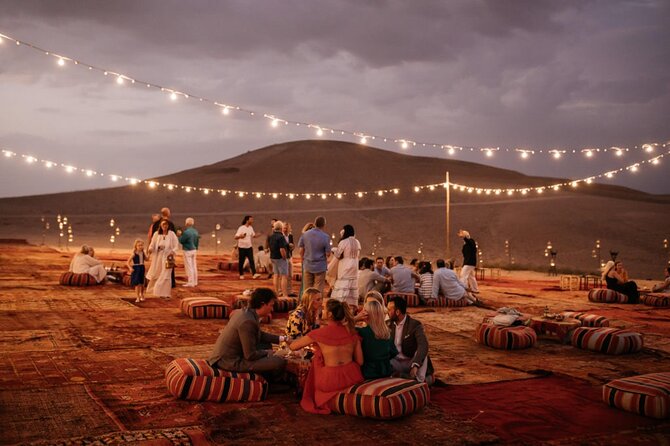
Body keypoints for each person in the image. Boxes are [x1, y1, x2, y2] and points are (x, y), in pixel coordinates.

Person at [290, 299, 364, 414]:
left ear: (329, 314)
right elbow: (360, 361)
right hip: (352, 377)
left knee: (315, 361)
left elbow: (293, 346)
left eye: (324, 309)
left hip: (330, 380)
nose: (322, 310)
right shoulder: (352, 332)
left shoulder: (319, 333)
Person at [208, 288, 287, 380]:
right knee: (279, 361)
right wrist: (270, 353)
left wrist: (283, 339)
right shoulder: (248, 321)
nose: (272, 309)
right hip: (229, 362)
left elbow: (259, 334)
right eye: (271, 305)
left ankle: (266, 374)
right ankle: (271, 383)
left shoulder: (245, 312)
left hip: (228, 357)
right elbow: (250, 355)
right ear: (262, 304)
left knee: (266, 344)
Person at [387, 296, 434, 384]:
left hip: (410, 362)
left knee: (423, 355)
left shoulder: (414, 325)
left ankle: (419, 381)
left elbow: (423, 345)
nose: (387, 312)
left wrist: (415, 364)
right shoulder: (387, 324)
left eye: (389, 309)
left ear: (397, 312)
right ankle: (404, 379)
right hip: (395, 362)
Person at [357, 299, 398, 379]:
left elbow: (341, 327)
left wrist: (356, 318)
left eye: (363, 311)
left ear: (366, 315)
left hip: (368, 373)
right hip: (386, 372)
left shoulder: (362, 332)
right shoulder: (386, 332)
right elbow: (393, 352)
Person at [146, 219, 179, 299]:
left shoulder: (172, 234)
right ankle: (155, 290)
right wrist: (151, 249)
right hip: (158, 257)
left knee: (166, 274)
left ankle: (164, 292)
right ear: (161, 225)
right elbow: (152, 245)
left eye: (166, 224)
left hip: (168, 257)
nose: (165, 226)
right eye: (163, 224)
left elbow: (176, 245)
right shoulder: (156, 234)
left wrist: (172, 252)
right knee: (157, 272)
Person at [331, 225, 361, 309]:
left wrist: (333, 250)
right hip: (354, 267)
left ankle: (338, 308)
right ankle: (351, 309)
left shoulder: (343, 242)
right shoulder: (357, 242)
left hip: (345, 267)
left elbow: (338, 255)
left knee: (342, 289)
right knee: (351, 289)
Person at [298, 216, 330, 295]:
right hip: (320, 266)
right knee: (318, 289)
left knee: (307, 289)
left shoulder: (305, 234)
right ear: (324, 225)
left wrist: (303, 260)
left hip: (308, 264)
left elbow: (301, 250)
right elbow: (328, 254)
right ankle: (317, 306)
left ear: (315, 223)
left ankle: (307, 305)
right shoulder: (325, 237)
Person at [234, 215, 262, 280]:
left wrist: (258, 235)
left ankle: (254, 274)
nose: (252, 221)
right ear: (247, 220)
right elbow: (235, 237)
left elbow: (253, 235)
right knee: (241, 261)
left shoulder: (251, 228)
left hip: (249, 247)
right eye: (251, 219)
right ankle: (241, 274)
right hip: (242, 247)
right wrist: (240, 236)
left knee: (251, 260)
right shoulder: (241, 228)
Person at [268, 221, 289, 296]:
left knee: (276, 275)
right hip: (280, 258)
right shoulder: (281, 237)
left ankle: (276, 292)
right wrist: (284, 257)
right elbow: (282, 249)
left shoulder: (271, 236)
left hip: (273, 257)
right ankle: (284, 294)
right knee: (284, 276)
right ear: (281, 228)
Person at [178, 217, 199, 287]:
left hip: (187, 250)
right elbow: (197, 242)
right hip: (194, 249)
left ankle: (190, 282)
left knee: (189, 267)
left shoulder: (186, 232)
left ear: (186, 223)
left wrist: (179, 236)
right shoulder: (195, 231)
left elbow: (181, 241)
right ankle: (195, 281)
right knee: (194, 266)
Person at [283, 222, 297, 296]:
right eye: (284, 228)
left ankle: (289, 291)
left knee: (290, 275)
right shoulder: (281, 236)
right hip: (283, 257)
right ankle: (282, 291)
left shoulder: (290, 236)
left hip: (289, 256)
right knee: (283, 275)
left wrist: (292, 246)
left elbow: (292, 246)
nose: (285, 230)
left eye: (286, 228)